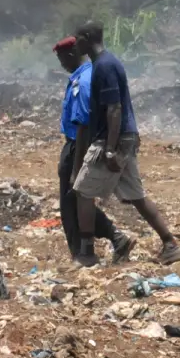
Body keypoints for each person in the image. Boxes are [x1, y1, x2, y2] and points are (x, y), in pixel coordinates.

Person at [72, 21, 180, 268]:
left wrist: (110, 149)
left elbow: (114, 109)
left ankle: (87, 254)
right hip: (123, 138)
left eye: (77, 38)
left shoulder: (105, 66)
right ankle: (170, 245)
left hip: (114, 140)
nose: (74, 42)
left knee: (82, 192)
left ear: (87, 37)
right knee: (136, 196)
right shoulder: (104, 64)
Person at [53, 36, 134, 264]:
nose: (61, 64)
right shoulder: (88, 75)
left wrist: (77, 164)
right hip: (80, 144)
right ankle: (112, 240)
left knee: (71, 202)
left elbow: (83, 124)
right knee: (78, 199)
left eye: (62, 59)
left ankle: (84, 254)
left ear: (71, 54)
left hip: (78, 145)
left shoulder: (84, 80)